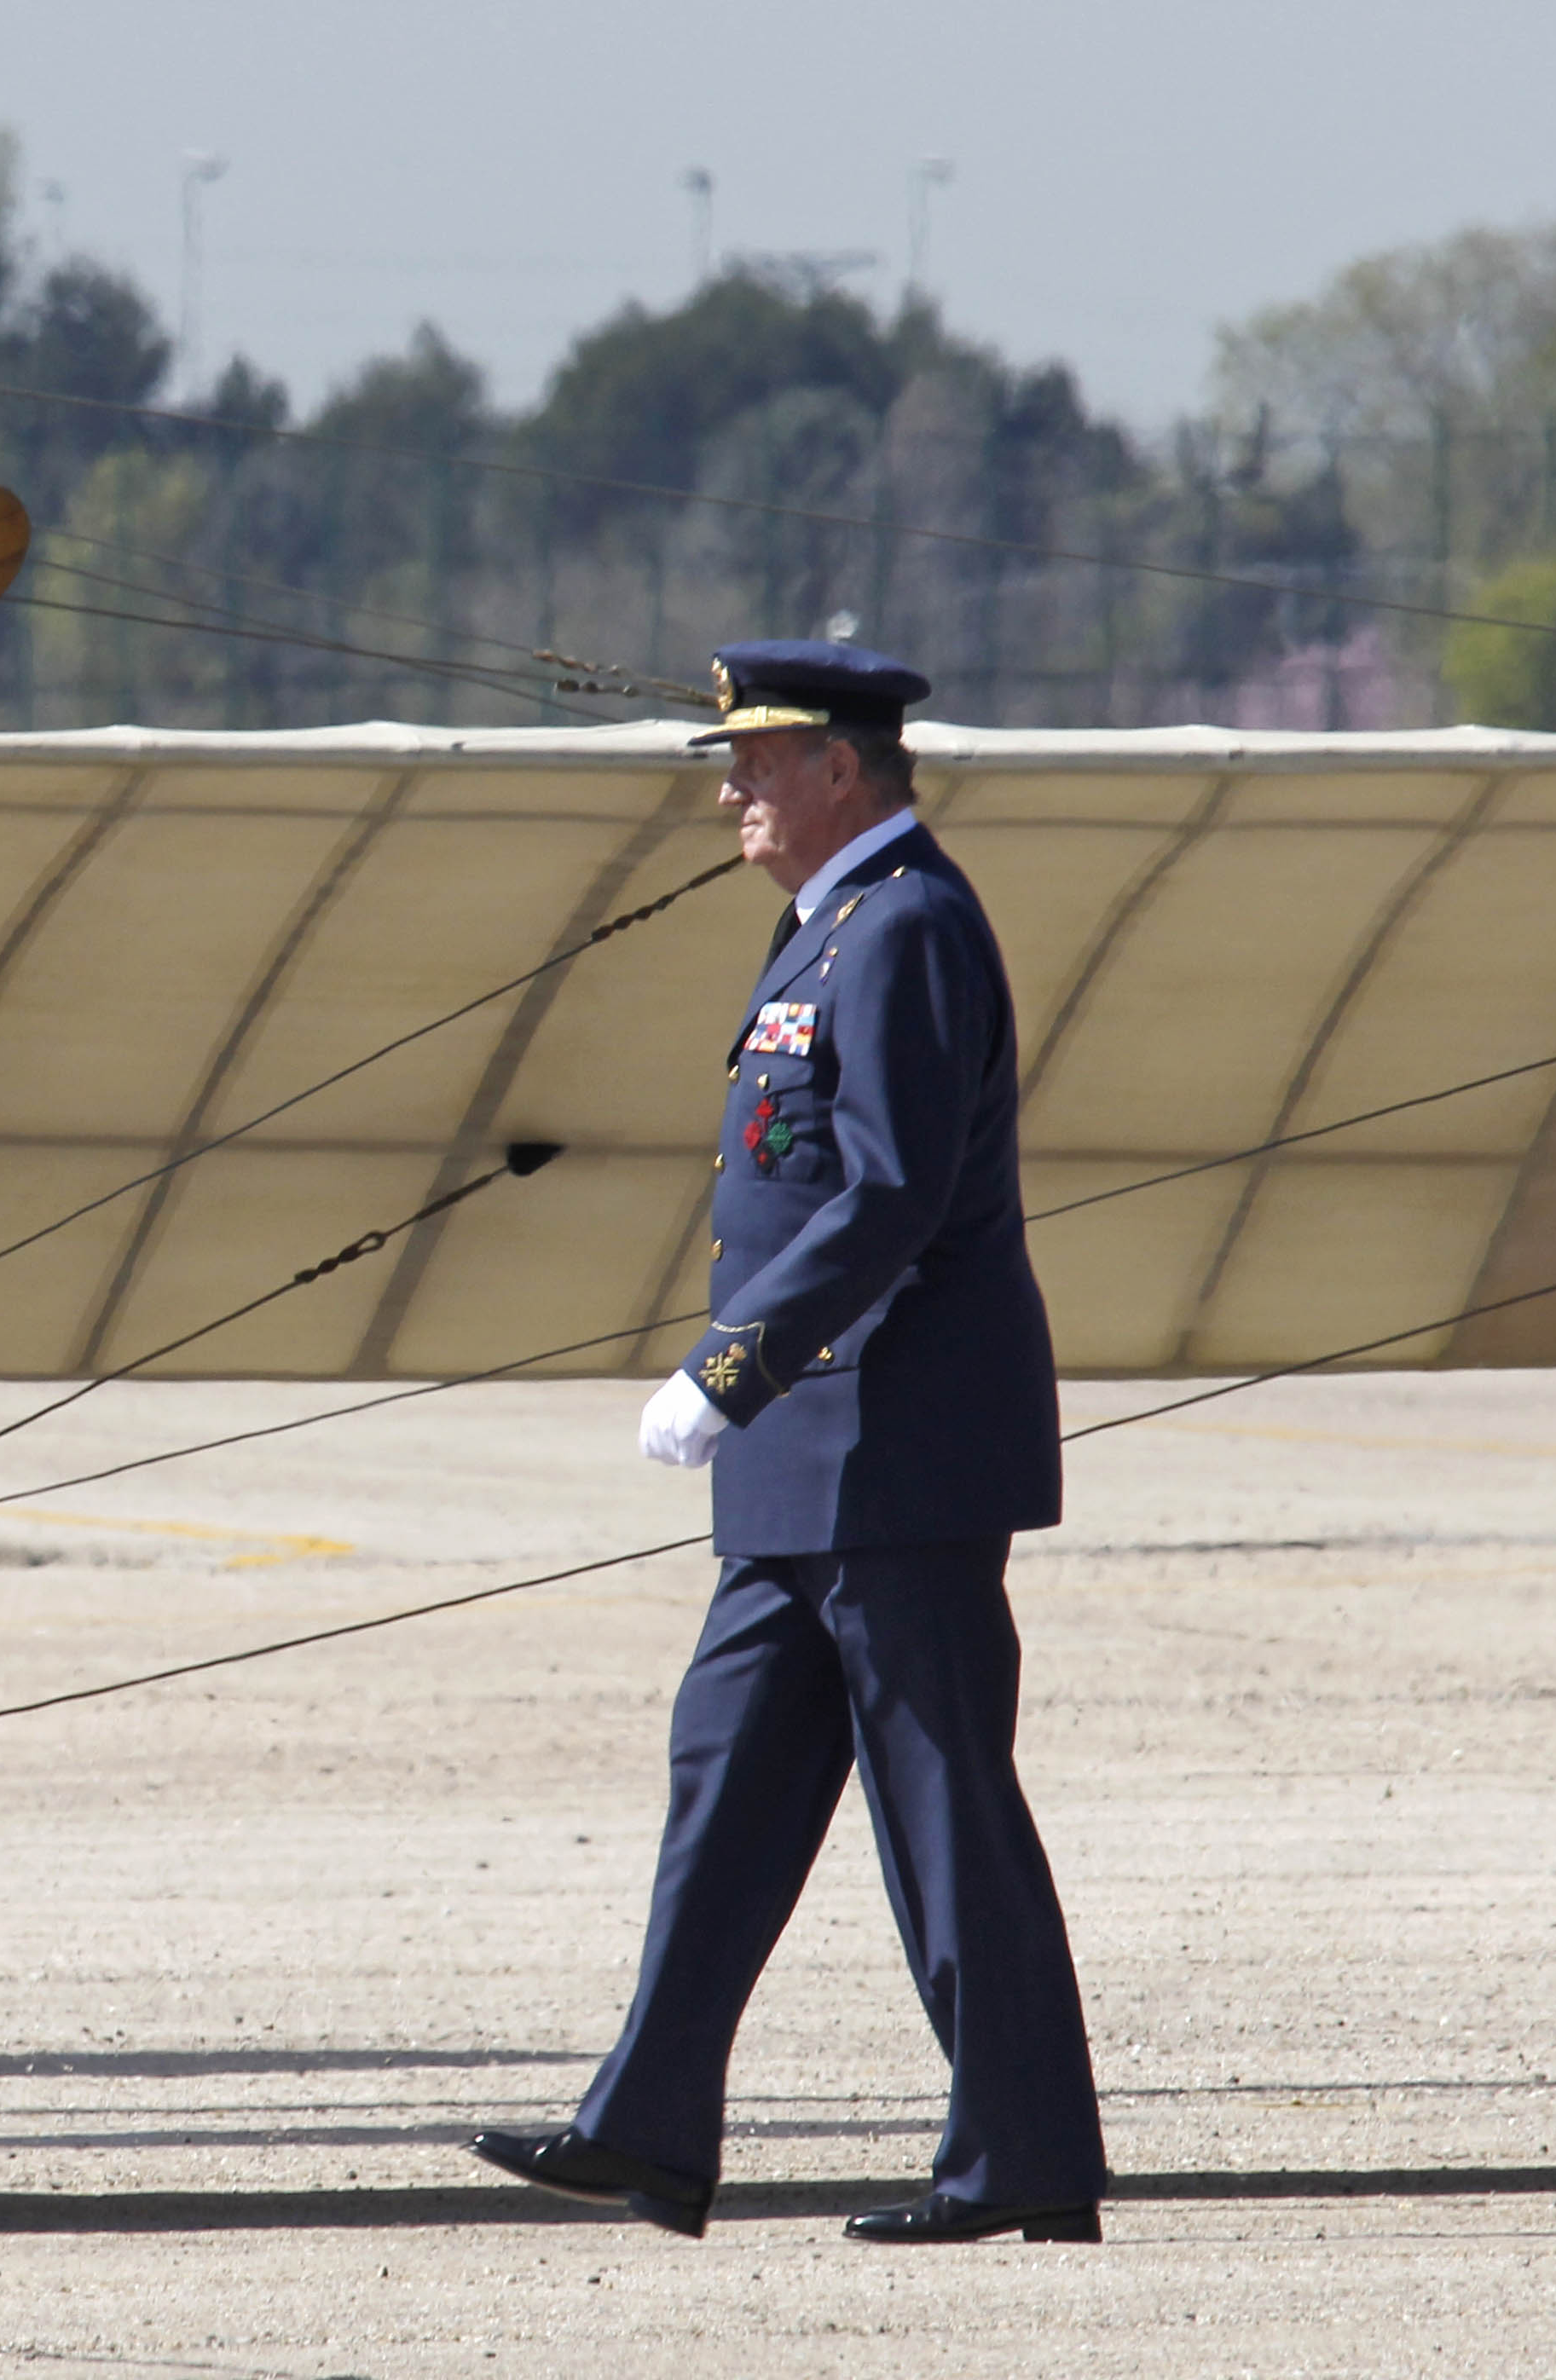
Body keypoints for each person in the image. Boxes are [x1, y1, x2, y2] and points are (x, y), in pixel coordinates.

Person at [470, 640, 1108, 2246]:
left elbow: (886, 1192)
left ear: (844, 765)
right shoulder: (830, 928)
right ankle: (649, 2128)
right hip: (806, 1468)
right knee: (725, 1785)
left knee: (942, 1811)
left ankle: (1022, 2158)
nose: (730, 787)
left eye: (756, 759)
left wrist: (730, 1366)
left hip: (890, 1451)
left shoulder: (907, 930)